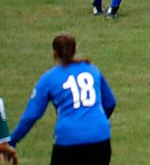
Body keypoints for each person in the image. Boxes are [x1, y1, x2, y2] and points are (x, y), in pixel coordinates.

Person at [0, 35, 115, 165]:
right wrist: (96, 122)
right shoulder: (92, 70)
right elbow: (110, 102)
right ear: (75, 50)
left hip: (69, 140)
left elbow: (31, 116)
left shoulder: (49, 78)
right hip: (100, 137)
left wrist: (12, 142)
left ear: (54, 53)